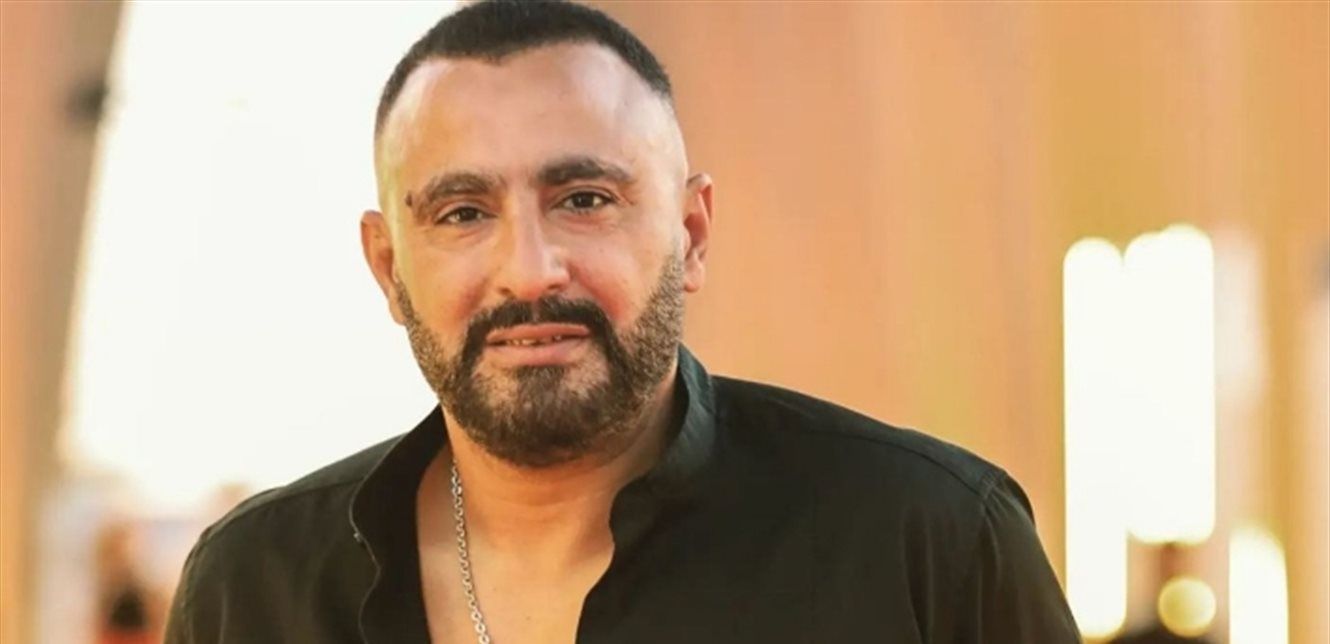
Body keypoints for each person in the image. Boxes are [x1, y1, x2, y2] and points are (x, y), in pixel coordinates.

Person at [164, 1, 1081, 642]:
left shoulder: (928, 543)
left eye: (584, 199)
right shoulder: (254, 591)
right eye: (462, 213)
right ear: (388, 268)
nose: (529, 270)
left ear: (691, 233)